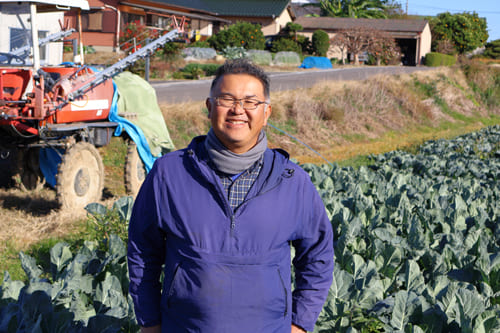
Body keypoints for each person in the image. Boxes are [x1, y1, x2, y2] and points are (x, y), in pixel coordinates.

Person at [127, 59, 334, 333]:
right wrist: (150, 322)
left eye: (251, 102)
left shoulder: (293, 181)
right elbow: (143, 250)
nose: (238, 110)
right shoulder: (169, 173)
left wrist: (300, 323)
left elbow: (318, 255)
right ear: (209, 106)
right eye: (227, 99)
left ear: (267, 112)